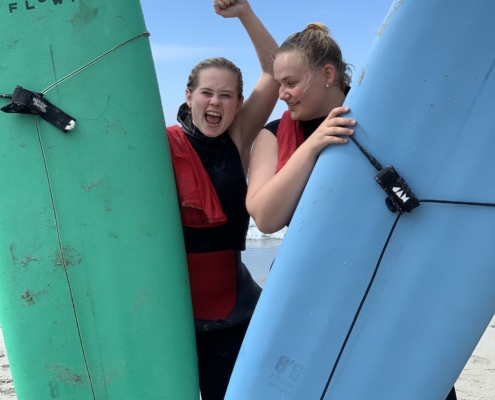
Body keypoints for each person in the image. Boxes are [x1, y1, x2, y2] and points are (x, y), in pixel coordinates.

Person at [245, 22, 458, 400]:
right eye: (278, 84)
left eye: (290, 83)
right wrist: (313, 146)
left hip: (389, 276)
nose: (282, 94)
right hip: (310, 287)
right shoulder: (274, 134)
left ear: (328, 75)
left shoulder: (385, 118)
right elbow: (265, 217)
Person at [165, 0, 278, 399]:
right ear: (189, 95)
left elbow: (274, 72)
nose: (215, 102)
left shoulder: (238, 138)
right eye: (207, 93)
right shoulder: (157, 146)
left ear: (239, 103)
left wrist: (244, 12)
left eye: (226, 96)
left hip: (231, 308)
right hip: (167, 308)